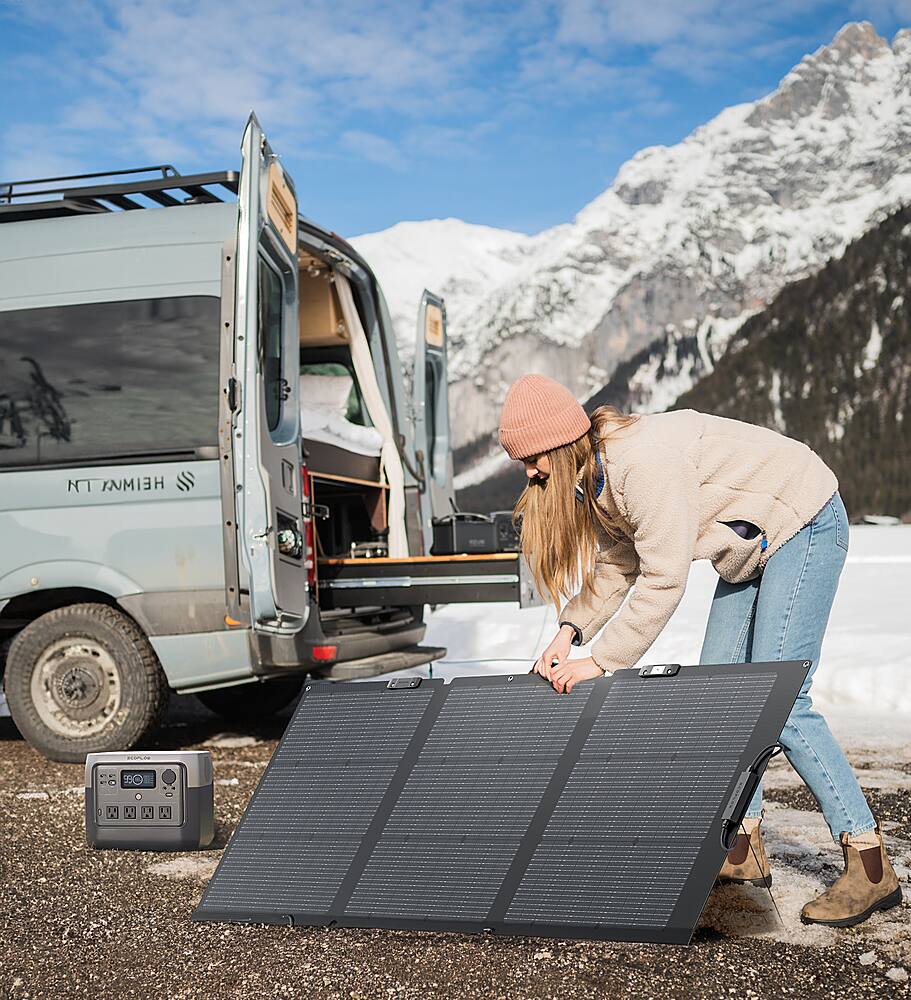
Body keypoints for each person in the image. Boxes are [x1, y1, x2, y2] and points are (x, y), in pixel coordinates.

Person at [497, 372, 902, 929]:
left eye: (533, 458)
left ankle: (869, 861)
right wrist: (570, 631)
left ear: (562, 443)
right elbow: (618, 564)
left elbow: (663, 580)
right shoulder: (597, 478)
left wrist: (601, 661)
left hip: (801, 519)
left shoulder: (640, 462)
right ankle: (743, 847)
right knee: (721, 696)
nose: (529, 472)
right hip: (750, 547)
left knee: (783, 700)